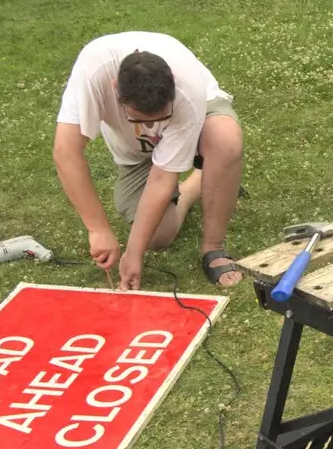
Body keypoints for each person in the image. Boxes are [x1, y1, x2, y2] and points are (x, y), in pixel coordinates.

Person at [53, 32, 244, 291]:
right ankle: (199, 183)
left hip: (197, 120)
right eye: (140, 120)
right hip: (135, 152)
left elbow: (162, 178)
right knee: (157, 237)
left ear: (173, 84)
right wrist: (97, 229)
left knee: (225, 140)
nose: (153, 128)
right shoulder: (91, 73)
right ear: (115, 90)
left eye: (161, 117)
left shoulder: (189, 89)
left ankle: (213, 247)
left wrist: (133, 253)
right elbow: (66, 152)